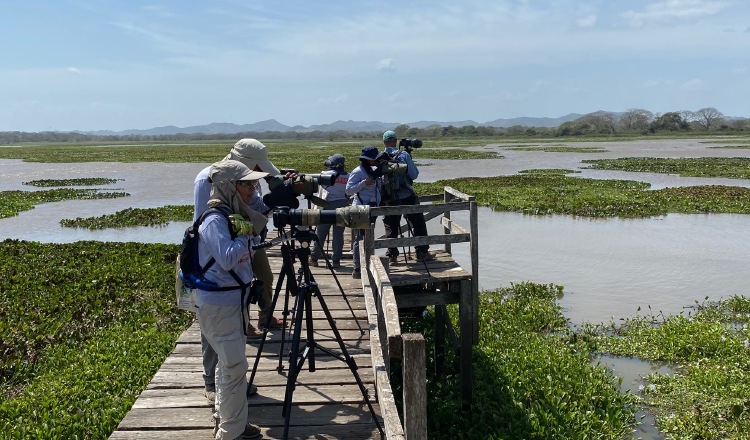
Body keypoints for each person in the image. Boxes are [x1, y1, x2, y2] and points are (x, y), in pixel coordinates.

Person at [194, 139, 283, 404]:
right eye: (254, 172)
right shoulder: (208, 179)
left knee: (240, 314)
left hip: (241, 243)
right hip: (218, 259)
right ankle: (212, 382)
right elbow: (209, 224)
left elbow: (249, 211)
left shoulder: (244, 182)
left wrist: (271, 201)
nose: (256, 180)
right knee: (213, 331)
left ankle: (234, 379)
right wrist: (243, 235)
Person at [194, 160, 267, 440]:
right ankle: (230, 433)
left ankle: (232, 422)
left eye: (253, 183)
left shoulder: (230, 216)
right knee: (235, 366)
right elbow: (226, 258)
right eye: (246, 184)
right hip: (219, 304)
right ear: (228, 187)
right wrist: (245, 234)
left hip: (231, 301)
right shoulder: (214, 219)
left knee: (230, 366)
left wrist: (247, 231)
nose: (252, 189)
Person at [380, 130, 433, 264]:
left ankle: (392, 255)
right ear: (396, 141)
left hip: (388, 197)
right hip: (407, 195)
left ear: (384, 142)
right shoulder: (403, 155)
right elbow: (414, 174)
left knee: (391, 225)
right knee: (418, 222)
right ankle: (421, 252)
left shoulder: (380, 156)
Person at [345, 146, 383, 279]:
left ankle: (368, 264)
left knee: (369, 237)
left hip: (372, 208)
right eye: (374, 159)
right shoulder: (358, 172)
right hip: (360, 209)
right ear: (368, 160)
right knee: (359, 239)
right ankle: (357, 268)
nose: (376, 161)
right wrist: (363, 183)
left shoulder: (374, 170)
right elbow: (349, 191)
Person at [310, 154, 350, 268]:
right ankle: (336, 261)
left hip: (327, 206)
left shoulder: (324, 175)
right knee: (338, 235)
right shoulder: (349, 176)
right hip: (343, 206)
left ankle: (314, 258)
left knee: (320, 233)